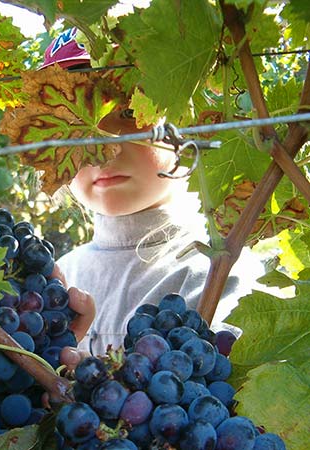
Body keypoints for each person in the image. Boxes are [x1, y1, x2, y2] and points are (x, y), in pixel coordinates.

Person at [40, 29, 264, 358]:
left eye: (130, 112)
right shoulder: (57, 277)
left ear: (189, 121)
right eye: (75, 121)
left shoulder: (225, 276)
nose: (102, 147)